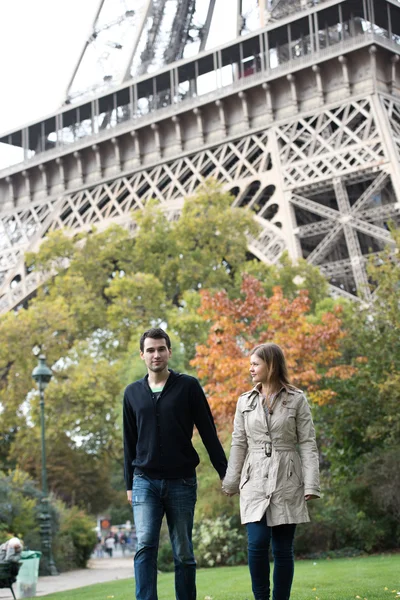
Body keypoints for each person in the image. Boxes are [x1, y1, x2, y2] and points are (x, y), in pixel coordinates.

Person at [123, 327, 227, 600]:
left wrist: (225, 472)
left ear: (168, 351)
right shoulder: (132, 393)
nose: (156, 354)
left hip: (181, 480)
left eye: (161, 349)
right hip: (144, 480)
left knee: (183, 550)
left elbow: (208, 432)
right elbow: (129, 441)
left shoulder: (188, 386)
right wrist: (128, 484)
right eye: (150, 350)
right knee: (145, 544)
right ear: (142, 355)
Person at [222, 343, 320, 600]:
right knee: (256, 543)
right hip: (253, 478)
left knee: (282, 548)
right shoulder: (244, 401)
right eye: (251, 363)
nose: (250, 368)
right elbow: (238, 442)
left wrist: (311, 484)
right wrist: (231, 481)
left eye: (256, 363)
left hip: (287, 477)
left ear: (271, 365)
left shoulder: (297, 399)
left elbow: (308, 443)